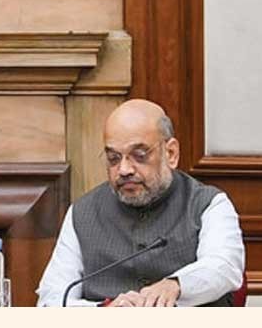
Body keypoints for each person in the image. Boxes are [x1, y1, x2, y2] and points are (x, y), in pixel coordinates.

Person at [37, 99, 244, 307]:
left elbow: (224, 267)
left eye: (139, 155)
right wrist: (103, 310)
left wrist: (175, 285)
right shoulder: (82, 213)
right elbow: (51, 298)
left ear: (170, 153)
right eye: (114, 158)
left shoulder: (209, 204)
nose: (124, 169)